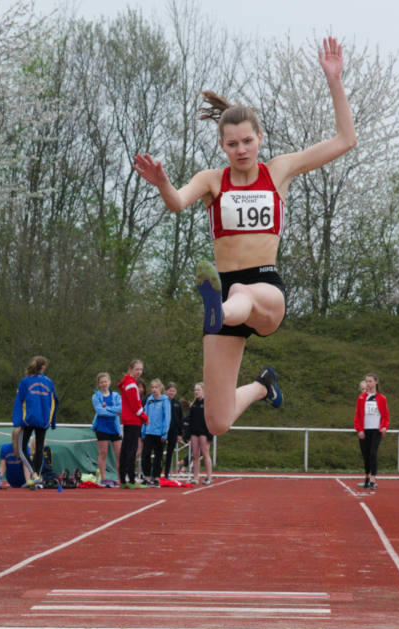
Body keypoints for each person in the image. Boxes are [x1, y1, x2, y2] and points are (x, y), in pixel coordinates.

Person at [132, 36, 356, 436]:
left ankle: (219, 308)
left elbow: (345, 140)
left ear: (260, 139)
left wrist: (334, 80)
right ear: (222, 145)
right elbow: (178, 203)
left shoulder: (280, 171)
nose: (241, 150)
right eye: (232, 144)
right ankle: (261, 385)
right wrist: (163, 182)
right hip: (225, 285)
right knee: (216, 422)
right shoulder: (212, 180)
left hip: (265, 288)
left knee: (242, 296)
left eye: (247, 141)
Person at [10, 355, 58, 483]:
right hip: (43, 420)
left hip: (28, 420)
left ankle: (35, 474)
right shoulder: (49, 382)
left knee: (21, 449)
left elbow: (18, 401)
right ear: (43, 367)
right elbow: (54, 402)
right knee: (39, 449)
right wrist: (51, 421)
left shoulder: (25, 381)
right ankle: (38, 477)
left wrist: (17, 420)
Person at [354, 373, 389, 490]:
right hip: (364, 430)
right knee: (366, 455)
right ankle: (367, 476)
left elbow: (385, 415)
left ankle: (373, 478)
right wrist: (359, 429)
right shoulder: (361, 398)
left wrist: (384, 426)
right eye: (366, 381)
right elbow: (358, 415)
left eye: (370, 381)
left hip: (376, 430)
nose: (368, 384)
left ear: (375, 382)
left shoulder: (381, 398)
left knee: (373, 453)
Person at [116, 359, 147, 489]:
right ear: (131, 369)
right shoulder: (131, 384)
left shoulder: (128, 382)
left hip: (128, 420)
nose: (139, 372)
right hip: (133, 420)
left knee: (125, 449)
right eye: (137, 369)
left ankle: (123, 479)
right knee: (131, 450)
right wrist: (145, 417)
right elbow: (136, 405)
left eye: (141, 369)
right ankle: (131, 479)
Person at [91, 372, 122, 483]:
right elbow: (100, 412)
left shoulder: (116, 396)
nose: (104, 384)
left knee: (119, 453)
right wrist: (112, 411)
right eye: (101, 382)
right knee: (103, 453)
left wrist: (107, 408)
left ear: (109, 382)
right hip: (102, 427)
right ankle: (103, 478)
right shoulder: (96, 396)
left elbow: (120, 409)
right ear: (99, 384)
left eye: (105, 381)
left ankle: (120, 478)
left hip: (114, 428)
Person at [141, 379, 171, 486]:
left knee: (158, 456)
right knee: (146, 454)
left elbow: (167, 417)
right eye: (152, 387)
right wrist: (143, 431)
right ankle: (147, 477)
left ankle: (157, 478)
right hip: (149, 432)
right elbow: (145, 416)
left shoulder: (165, 400)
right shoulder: (149, 400)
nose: (154, 389)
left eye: (156, 387)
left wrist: (165, 433)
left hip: (160, 433)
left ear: (160, 388)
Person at [187, 382, 214, 485]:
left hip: (204, 432)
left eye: (198, 390)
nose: (196, 392)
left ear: (203, 391)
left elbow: (211, 420)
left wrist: (210, 436)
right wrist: (188, 435)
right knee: (195, 455)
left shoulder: (207, 403)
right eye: (195, 390)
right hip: (194, 432)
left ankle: (209, 477)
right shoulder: (193, 405)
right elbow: (190, 420)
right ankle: (195, 477)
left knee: (205, 453)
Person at [162, 382, 184, 479]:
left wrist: (180, 434)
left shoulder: (177, 404)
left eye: (173, 391)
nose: (171, 392)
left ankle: (166, 474)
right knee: (159, 452)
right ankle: (157, 473)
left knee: (170, 453)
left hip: (173, 432)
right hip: (162, 431)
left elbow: (180, 419)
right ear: (166, 391)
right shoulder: (162, 401)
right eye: (170, 390)